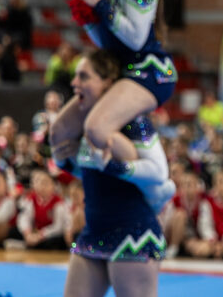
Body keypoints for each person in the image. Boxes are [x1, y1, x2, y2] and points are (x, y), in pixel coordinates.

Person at [50, 0, 177, 181]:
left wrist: (102, 5)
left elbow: (135, 38)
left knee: (97, 128)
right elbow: (108, 41)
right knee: (59, 132)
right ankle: (96, 186)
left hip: (148, 72)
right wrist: (88, 18)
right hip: (119, 71)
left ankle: (151, 187)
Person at [53, 50, 168, 297]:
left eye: (84, 77)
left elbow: (159, 173)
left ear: (107, 82)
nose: (75, 83)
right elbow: (91, 174)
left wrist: (115, 164)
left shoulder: (135, 122)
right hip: (94, 232)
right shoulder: (87, 126)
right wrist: (63, 159)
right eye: (75, 76)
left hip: (132, 233)